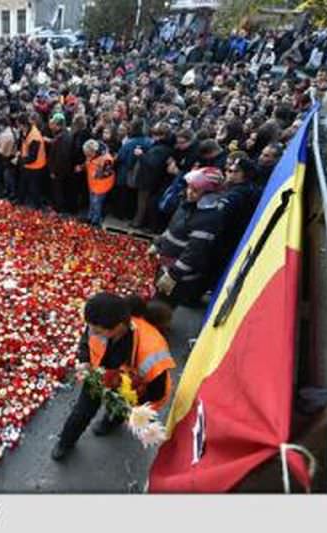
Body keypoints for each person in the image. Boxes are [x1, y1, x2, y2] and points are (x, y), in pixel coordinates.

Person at [51, 292, 176, 461]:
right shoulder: (98, 323)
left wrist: (128, 399)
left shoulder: (151, 350)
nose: (93, 332)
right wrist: (84, 360)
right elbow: (85, 341)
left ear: (118, 326)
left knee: (117, 411)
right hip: (98, 375)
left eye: (98, 331)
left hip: (130, 390)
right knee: (81, 411)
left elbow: (156, 392)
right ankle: (65, 442)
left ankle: (109, 423)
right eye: (91, 328)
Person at [152, 167, 227, 306]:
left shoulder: (208, 219)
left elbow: (194, 252)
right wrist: (158, 243)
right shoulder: (187, 205)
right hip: (167, 265)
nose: (189, 192)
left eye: (195, 190)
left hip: (181, 276)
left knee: (163, 307)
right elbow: (172, 228)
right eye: (189, 188)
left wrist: (173, 276)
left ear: (208, 195)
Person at [17, 112, 47, 209]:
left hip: (35, 165)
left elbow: (33, 157)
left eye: (19, 125)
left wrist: (20, 160)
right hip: (26, 164)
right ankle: (21, 201)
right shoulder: (25, 131)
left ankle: (37, 206)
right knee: (23, 183)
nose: (18, 127)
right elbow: (23, 143)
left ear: (23, 125)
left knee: (34, 187)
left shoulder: (35, 136)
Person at [47, 113, 75, 213]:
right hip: (64, 169)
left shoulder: (62, 138)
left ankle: (58, 208)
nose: (51, 126)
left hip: (59, 170)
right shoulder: (65, 134)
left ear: (58, 125)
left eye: (53, 124)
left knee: (58, 190)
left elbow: (60, 157)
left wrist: (53, 171)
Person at [83, 139, 115, 227]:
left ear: (94, 151)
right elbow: (88, 163)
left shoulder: (106, 159)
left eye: (89, 154)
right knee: (92, 202)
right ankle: (90, 217)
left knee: (97, 203)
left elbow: (107, 173)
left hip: (102, 186)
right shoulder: (92, 156)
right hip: (93, 184)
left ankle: (96, 221)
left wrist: (97, 174)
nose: (87, 156)